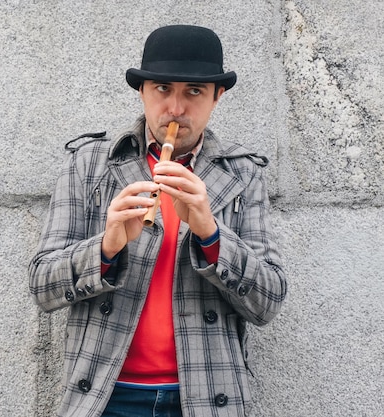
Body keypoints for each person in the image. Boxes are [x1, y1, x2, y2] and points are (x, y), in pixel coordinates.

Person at [28, 25, 287, 417]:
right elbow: (42, 287)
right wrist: (106, 246)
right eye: (163, 89)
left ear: (218, 97)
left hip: (205, 396)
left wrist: (210, 233)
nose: (176, 109)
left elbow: (267, 302)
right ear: (142, 91)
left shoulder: (243, 174)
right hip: (105, 396)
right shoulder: (89, 164)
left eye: (194, 92)